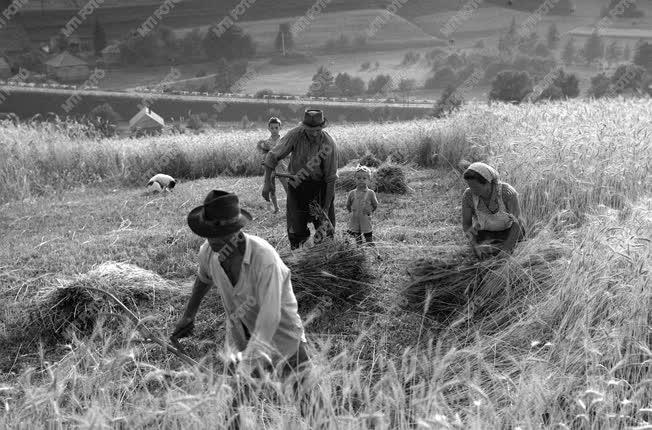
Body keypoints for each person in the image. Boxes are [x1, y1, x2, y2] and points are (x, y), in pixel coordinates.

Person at [171, 189, 312, 381]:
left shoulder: (264, 259)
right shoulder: (209, 252)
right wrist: (189, 314)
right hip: (240, 340)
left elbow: (269, 318)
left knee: (310, 403)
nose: (213, 240)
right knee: (234, 405)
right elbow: (203, 279)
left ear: (237, 230)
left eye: (220, 234)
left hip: (282, 340)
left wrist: (246, 367)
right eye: (209, 233)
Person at [262, 109, 338, 250]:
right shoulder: (295, 135)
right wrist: (267, 184)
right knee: (296, 230)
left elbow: (331, 178)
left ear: (322, 127)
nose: (314, 133)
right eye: (310, 130)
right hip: (297, 186)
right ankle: (298, 258)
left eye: (317, 130)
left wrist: (326, 208)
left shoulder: (328, 143)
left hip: (320, 187)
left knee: (325, 231)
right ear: (304, 127)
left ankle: (324, 257)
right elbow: (272, 156)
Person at [461, 162, 525, 259]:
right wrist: (475, 246)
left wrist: (507, 247)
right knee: (484, 259)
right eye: (470, 186)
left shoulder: (507, 193)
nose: (473, 190)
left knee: (515, 258)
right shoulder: (468, 195)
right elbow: (466, 224)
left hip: (510, 233)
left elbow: (518, 221)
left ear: (488, 182)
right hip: (485, 235)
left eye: (476, 187)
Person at [256, 117, 289, 214]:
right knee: (271, 188)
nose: (274, 130)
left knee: (287, 187)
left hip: (282, 167)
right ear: (269, 128)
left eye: (276, 127)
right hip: (271, 168)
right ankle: (276, 208)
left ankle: (291, 207)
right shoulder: (266, 143)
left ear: (280, 128)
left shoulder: (284, 140)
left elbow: (289, 153)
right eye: (272, 128)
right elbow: (265, 156)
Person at [346, 165, 379, 250]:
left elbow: (375, 205)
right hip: (355, 220)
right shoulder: (352, 193)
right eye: (359, 178)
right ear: (355, 179)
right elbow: (348, 205)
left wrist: (370, 211)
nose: (361, 180)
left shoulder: (371, 193)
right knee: (358, 239)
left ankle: (376, 255)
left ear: (369, 180)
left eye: (364, 178)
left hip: (365, 220)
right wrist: (352, 213)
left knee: (369, 239)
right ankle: (360, 254)